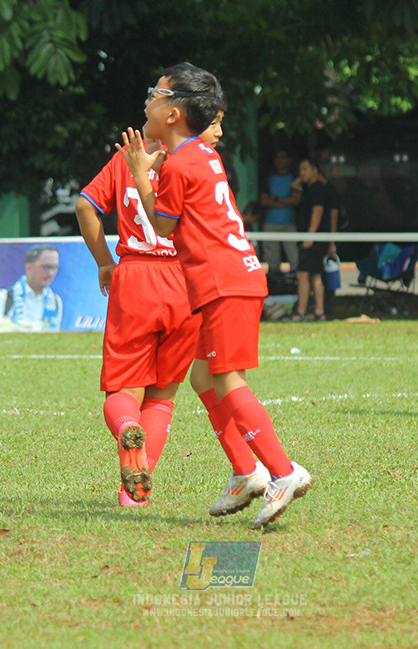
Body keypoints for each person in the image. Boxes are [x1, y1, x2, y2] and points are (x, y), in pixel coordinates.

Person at [118, 62, 312, 529]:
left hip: (224, 283)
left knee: (226, 379)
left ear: (174, 113)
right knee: (203, 379)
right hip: (227, 280)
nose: (147, 101)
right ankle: (247, 471)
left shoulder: (182, 161)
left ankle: (282, 472)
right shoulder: (202, 154)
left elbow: (162, 227)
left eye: (155, 94)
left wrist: (141, 175)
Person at [75, 116, 227, 507]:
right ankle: (134, 499)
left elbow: (84, 206)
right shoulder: (197, 161)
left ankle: (128, 427)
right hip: (184, 283)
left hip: (136, 282)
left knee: (122, 389)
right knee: (162, 397)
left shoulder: (126, 158)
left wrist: (104, 262)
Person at [287, 157, 338, 321]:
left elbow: (318, 211)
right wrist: (302, 179)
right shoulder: (312, 187)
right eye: (300, 170)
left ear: (315, 170)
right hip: (314, 238)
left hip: (312, 239)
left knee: (303, 275)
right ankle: (319, 311)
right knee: (315, 276)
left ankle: (301, 312)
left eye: (305, 169)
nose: (301, 173)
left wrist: (310, 234)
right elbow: (294, 185)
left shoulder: (316, 188)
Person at [0, 244, 64, 332]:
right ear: (29, 267)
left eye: (54, 268)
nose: (51, 273)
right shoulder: (1, 298)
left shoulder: (56, 302)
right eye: (46, 267)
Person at [259, 149, 301, 275]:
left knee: (295, 259)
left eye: (282, 157)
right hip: (270, 223)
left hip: (289, 223)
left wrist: (276, 199)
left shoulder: (294, 178)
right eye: (277, 157)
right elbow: (264, 201)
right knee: (272, 262)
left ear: (288, 160)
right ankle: (276, 286)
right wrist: (286, 201)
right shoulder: (268, 178)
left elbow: (296, 201)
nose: (279, 161)